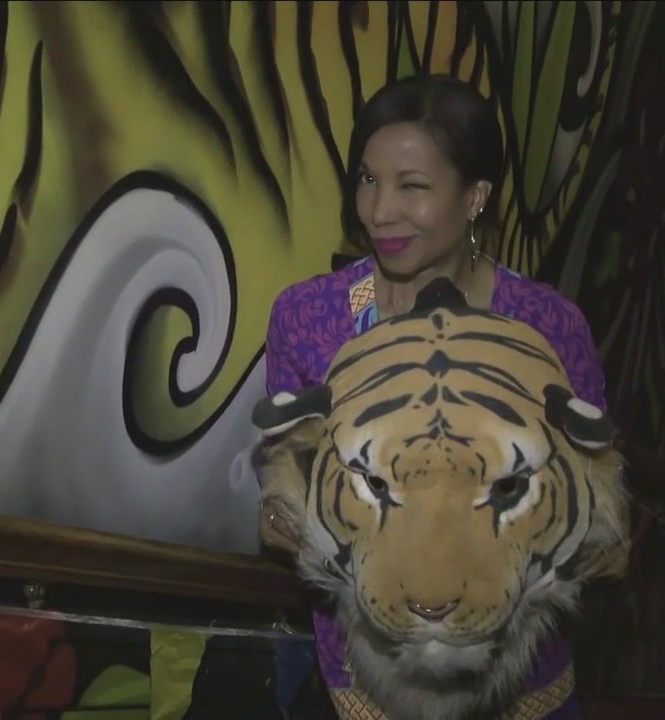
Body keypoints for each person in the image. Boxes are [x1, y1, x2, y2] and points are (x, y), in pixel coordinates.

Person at [259, 73, 608, 719]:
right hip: (363, 681)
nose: (379, 210)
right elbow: (283, 481)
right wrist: (285, 515)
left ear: (475, 196)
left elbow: (599, 509)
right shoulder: (309, 316)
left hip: (518, 685)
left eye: (412, 186)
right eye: (368, 180)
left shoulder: (548, 327)